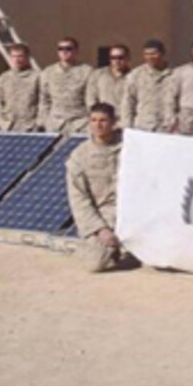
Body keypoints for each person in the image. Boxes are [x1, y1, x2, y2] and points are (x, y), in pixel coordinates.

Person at [65, 103, 131, 273]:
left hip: (133, 210)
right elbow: (78, 199)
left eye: (103, 120)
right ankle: (99, 246)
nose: (98, 125)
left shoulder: (131, 146)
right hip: (104, 215)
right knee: (95, 264)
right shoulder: (79, 156)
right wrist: (100, 229)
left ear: (113, 122)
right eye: (93, 120)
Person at [39, 37, 92, 134]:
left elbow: (91, 99)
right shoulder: (48, 72)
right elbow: (44, 99)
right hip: (55, 124)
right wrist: (45, 121)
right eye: (60, 49)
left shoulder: (87, 71)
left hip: (80, 123)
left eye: (68, 48)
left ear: (76, 51)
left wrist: (90, 121)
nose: (64, 51)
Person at [121, 39, 173, 132]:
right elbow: (128, 103)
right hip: (143, 126)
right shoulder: (135, 75)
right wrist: (127, 127)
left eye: (154, 53)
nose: (150, 57)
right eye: (147, 54)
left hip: (167, 127)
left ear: (163, 53)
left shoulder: (175, 74)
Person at [0, 43, 40, 132]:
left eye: (20, 56)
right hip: (8, 127)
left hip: (29, 127)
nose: (17, 60)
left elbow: (44, 102)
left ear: (27, 57)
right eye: (13, 56)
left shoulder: (38, 77)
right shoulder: (4, 78)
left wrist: (38, 123)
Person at [86, 44, 131, 112]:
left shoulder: (133, 77)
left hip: (124, 116)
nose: (117, 61)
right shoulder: (97, 74)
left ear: (128, 58)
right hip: (103, 115)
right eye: (113, 58)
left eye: (120, 57)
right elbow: (91, 98)